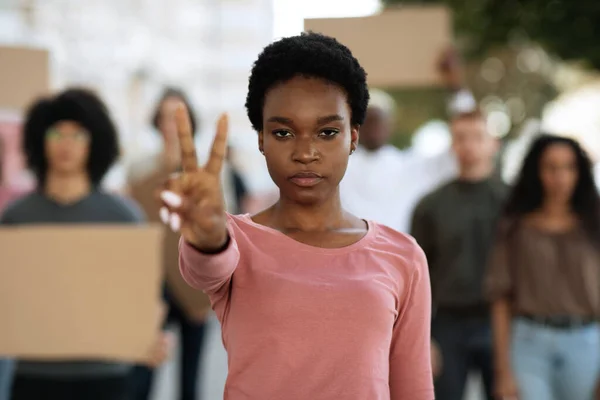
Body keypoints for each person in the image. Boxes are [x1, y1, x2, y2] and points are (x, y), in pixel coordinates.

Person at [157, 32, 433, 399]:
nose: (306, 152)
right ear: (261, 140)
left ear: (353, 136)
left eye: (327, 132)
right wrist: (208, 232)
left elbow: (413, 389)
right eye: (284, 132)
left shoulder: (404, 257)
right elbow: (205, 264)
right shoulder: (234, 240)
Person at [0, 88, 170, 400]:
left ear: (94, 143)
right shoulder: (15, 218)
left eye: (78, 135)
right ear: (40, 139)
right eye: (57, 134)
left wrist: (150, 336)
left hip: (105, 376)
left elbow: (142, 297)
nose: (66, 144)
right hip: (32, 374)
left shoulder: (123, 217)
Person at [486, 134, 600, 400]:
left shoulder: (595, 225)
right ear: (537, 171)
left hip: (586, 342)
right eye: (551, 167)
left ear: (580, 172)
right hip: (528, 343)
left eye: (569, 167)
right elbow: (500, 298)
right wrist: (502, 372)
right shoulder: (516, 226)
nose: (560, 176)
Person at [411, 110, 506, 400]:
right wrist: (424, 337)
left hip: (501, 322)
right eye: (461, 137)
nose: (469, 145)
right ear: (452, 144)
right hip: (448, 323)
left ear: (494, 143)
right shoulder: (431, 205)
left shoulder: (513, 203)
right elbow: (416, 276)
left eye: (478, 137)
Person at [128, 87, 209, 400]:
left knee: (190, 384)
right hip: (151, 287)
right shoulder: (139, 170)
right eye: (164, 117)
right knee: (141, 380)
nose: (171, 125)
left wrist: (211, 291)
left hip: (195, 283)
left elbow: (223, 230)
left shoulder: (209, 171)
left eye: (178, 117)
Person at [340, 48, 470, 233]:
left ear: (390, 126)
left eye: (379, 120)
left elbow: (464, 144)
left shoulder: (409, 167)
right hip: (348, 259)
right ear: (355, 128)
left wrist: (457, 89)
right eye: (367, 120)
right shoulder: (339, 170)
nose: (373, 126)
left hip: (399, 258)